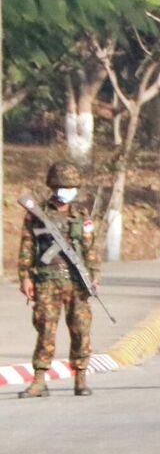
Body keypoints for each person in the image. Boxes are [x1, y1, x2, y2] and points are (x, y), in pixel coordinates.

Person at [16, 162, 102, 398]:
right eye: (63, 186)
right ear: (53, 186)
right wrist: (25, 277)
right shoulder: (36, 214)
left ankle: (81, 377)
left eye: (71, 186)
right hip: (46, 280)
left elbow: (90, 248)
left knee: (81, 330)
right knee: (45, 329)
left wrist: (94, 276)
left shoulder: (80, 215)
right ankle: (39, 380)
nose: (67, 190)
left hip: (76, 282)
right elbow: (27, 247)